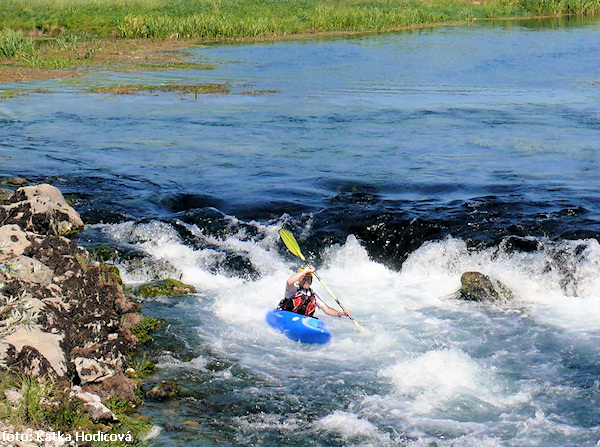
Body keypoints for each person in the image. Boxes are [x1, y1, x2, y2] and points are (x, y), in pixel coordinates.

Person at [277, 265, 352, 318]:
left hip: (302, 321)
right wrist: (305, 270)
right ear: (299, 280)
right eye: (304, 278)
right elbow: (289, 282)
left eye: (308, 279)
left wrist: (340, 313)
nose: (306, 281)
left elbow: (327, 309)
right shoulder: (292, 290)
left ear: (311, 281)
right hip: (287, 317)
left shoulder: (314, 295)